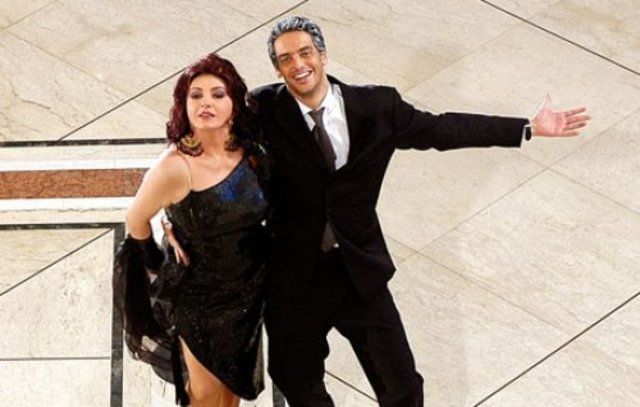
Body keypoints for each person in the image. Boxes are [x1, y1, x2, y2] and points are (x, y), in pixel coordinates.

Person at [168, 16, 590, 407]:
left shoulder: (377, 106)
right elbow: (201, 139)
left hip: (358, 269)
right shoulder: (263, 109)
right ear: (278, 69)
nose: (298, 64)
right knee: (295, 379)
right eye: (286, 59)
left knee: (403, 386)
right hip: (293, 276)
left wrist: (528, 127)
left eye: (305, 53)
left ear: (322, 55)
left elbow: (442, 128)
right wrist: (170, 216)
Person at [114, 53, 269, 407]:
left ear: (234, 103)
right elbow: (136, 219)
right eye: (195, 95)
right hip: (200, 298)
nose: (205, 103)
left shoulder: (252, 151)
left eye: (217, 94)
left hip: (248, 290)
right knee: (206, 394)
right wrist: (161, 260)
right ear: (183, 106)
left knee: (231, 389)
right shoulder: (175, 167)